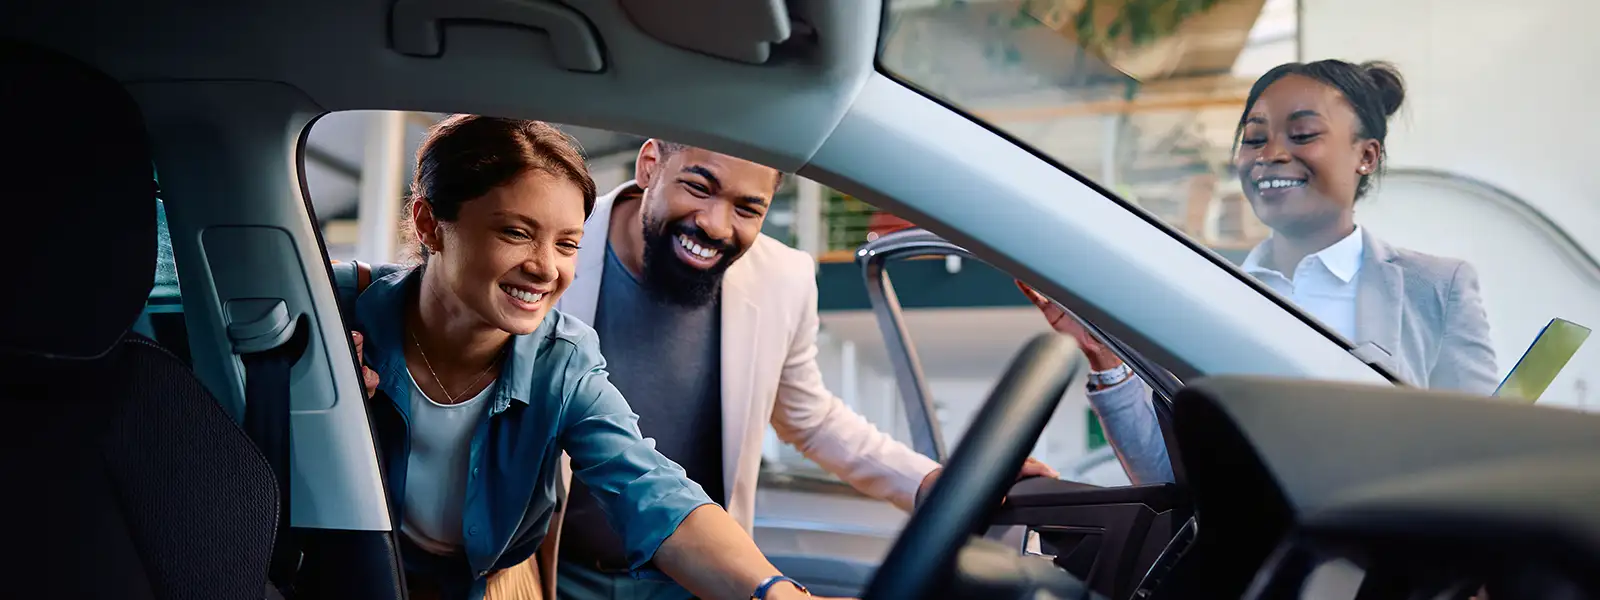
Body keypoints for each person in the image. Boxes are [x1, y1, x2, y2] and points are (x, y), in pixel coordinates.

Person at [334, 115, 847, 600]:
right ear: (429, 222)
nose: (545, 268)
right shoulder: (335, 307)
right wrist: (309, 380)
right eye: (516, 232)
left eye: (567, 245)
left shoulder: (563, 361)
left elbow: (649, 485)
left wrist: (771, 590)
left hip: (487, 583)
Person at [551, 140, 1056, 599]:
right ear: (649, 166)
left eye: (748, 208)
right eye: (698, 187)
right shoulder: (555, 241)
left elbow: (809, 419)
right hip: (554, 570)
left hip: (694, 580)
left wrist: (932, 482)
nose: (716, 224)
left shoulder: (784, 279)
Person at [1019, 59, 1497, 485]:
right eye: (1254, 139)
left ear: (1365, 156)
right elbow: (1170, 481)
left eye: (1303, 134)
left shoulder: (1437, 288)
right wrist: (1104, 357)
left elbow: (1483, 459)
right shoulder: (1210, 294)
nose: (1271, 155)